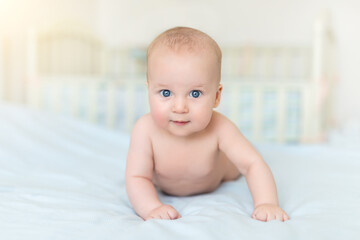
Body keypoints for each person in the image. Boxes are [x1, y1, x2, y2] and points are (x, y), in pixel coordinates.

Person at [125, 26, 290, 222]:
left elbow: (253, 164)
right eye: (166, 93)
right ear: (149, 89)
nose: (179, 107)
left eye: (195, 93)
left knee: (239, 161)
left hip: (221, 175)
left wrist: (267, 203)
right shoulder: (145, 130)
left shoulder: (220, 128)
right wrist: (152, 208)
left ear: (217, 96)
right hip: (167, 185)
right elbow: (137, 178)